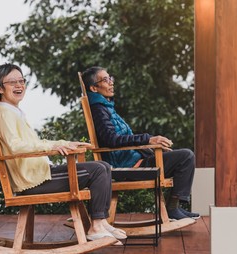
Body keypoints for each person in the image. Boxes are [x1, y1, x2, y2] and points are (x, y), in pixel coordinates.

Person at [0, 63, 126, 243]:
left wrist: (64, 144)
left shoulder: (15, 112)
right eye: (12, 82)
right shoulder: (5, 114)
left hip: (40, 175)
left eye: (21, 80)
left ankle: (100, 221)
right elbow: (15, 147)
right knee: (98, 170)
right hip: (33, 182)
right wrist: (50, 148)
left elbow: (33, 143)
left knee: (103, 166)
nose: (19, 85)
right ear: (0, 88)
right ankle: (96, 227)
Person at [81, 66, 200, 221]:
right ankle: (172, 208)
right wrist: (148, 139)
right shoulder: (98, 109)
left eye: (110, 78)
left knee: (182, 156)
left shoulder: (106, 107)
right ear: (94, 88)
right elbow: (111, 139)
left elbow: (118, 138)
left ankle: (174, 207)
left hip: (134, 160)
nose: (111, 83)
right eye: (105, 80)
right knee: (186, 156)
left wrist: (151, 147)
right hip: (127, 167)